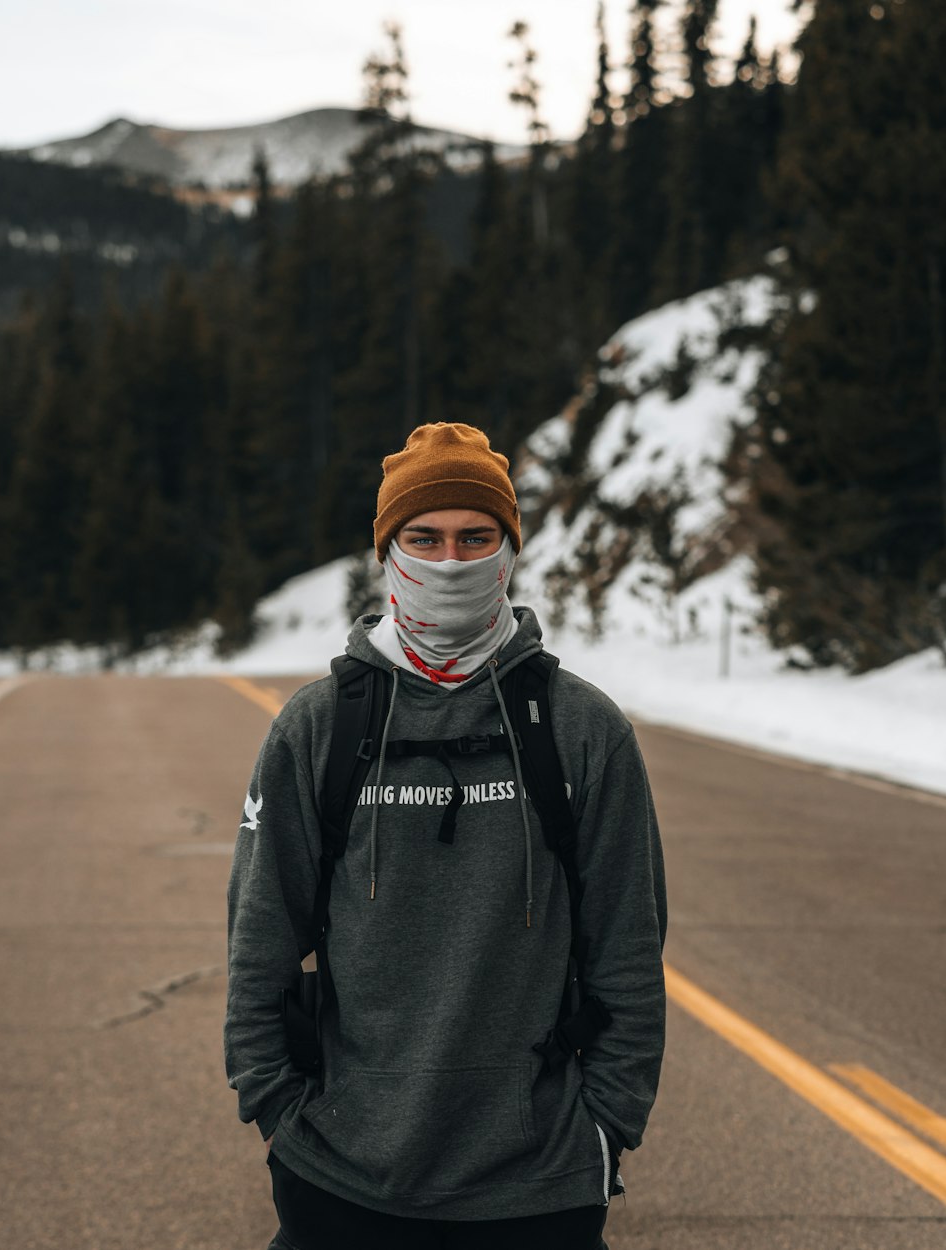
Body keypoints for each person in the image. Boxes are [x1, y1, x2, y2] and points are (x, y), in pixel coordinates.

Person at [225, 422, 667, 1250]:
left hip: (538, 1189)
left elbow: (628, 954)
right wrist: (278, 1115)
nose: (451, 562)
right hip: (340, 1179)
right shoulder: (319, 728)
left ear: (510, 550)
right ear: (388, 552)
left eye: (476, 537)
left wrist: (607, 1127)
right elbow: (260, 943)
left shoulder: (582, 729)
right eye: (423, 537)